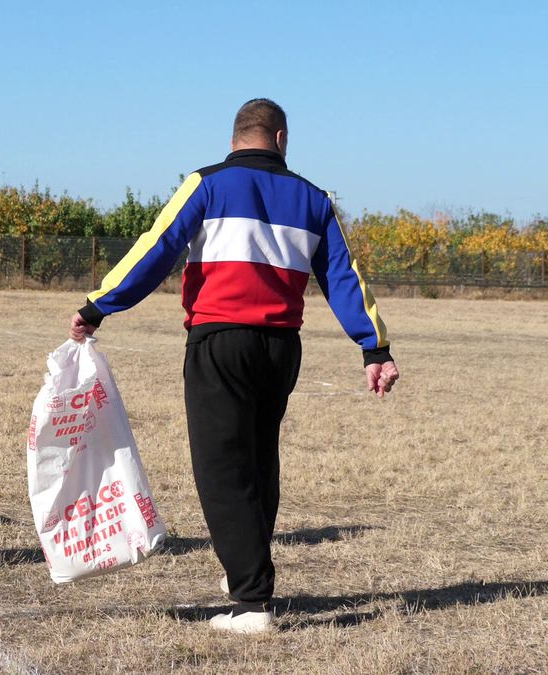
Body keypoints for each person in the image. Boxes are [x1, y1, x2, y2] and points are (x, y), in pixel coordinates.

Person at [69, 99, 399, 633]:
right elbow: (344, 275)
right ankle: (246, 571)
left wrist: (98, 305)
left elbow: (155, 249)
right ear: (281, 138)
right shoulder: (315, 199)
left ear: (234, 138)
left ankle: (251, 602)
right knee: (259, 461)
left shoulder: (205, 183)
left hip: (220, 339)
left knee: (222, 465)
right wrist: (374, 348)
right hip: (281, 347)